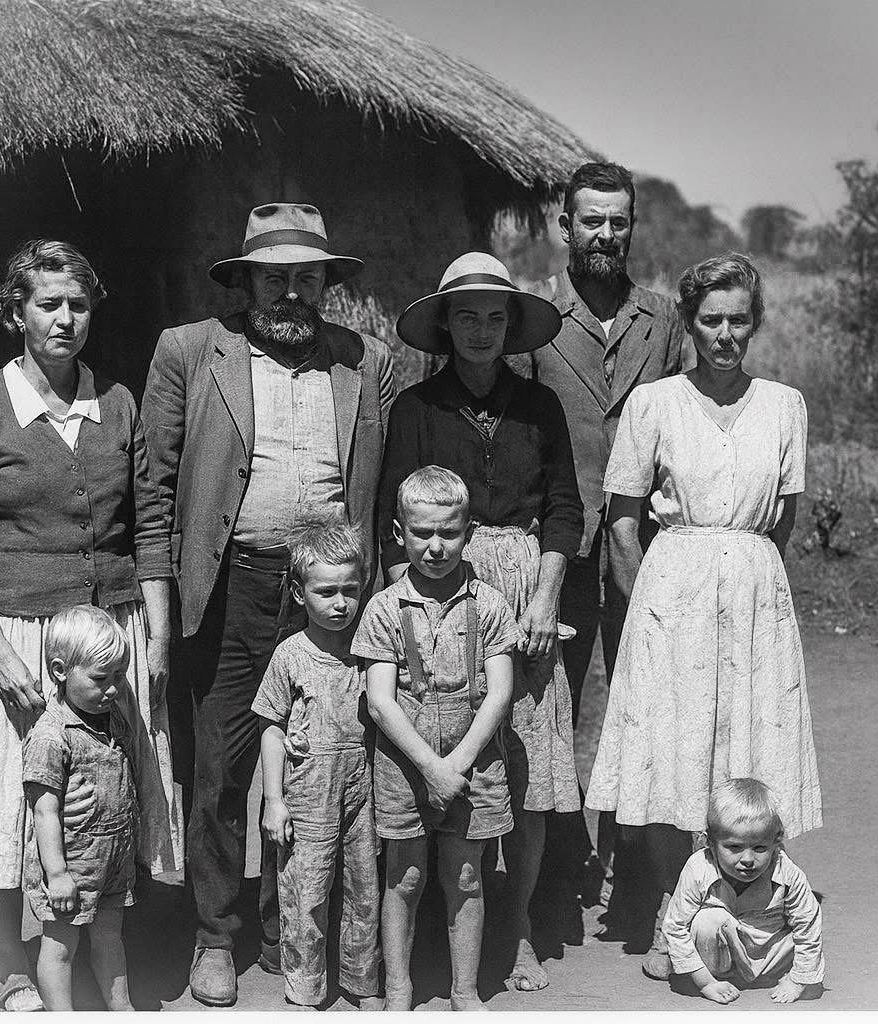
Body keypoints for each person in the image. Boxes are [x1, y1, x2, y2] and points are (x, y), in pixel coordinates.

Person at [0, 239, 183, 1012]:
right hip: (16, 641)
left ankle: (99, 953)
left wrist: (157, 636)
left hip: (107, 642)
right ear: (17, 314)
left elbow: (152, 527)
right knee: (8, 805)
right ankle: (12, 966)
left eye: (78, 305)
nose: (65, 319)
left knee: (105, 804)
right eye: (48, 304)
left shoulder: (119, 405)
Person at [142, 203, 394, 1006]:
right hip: (231, 589)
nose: (291, 293)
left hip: (330, 598)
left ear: (327, 284)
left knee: (326, 765)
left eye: (306, 278)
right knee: (219, 769)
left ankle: (292, 924)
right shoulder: (189, 352)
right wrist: (158, 601)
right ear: (246, 280)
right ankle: (215, 937)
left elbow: (377, 486)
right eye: (274, 277)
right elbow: (154, 486)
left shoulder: (364, 360)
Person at [583, 252, 823, 978]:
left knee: (745, 745)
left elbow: (782, 517)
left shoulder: (785, 405)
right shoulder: (654, 404)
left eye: (739, 321)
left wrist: (741, 566)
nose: (725, 335)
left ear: (755, 324)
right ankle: (674, 917)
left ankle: (748, 914)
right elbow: (622, 520)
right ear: (688, 322)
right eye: (711, 320)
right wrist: (644, 609)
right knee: (671, 756)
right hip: (670, 591)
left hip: (753, 589)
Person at [379, 252, 583, 992]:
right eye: (467, 315)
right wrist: (417, 619)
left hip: (526, 593)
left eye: (496, 317)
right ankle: (438, 927)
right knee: (442, 753)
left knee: (526, 772)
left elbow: (565, 508)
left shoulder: (540, 406)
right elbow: (391, 526)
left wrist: (545, 596)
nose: (482, 331)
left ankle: (518, 922)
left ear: (511, 327)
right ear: (445, 324)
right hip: (441, 587)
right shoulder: (415, 409)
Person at [517, 160, 685, 923]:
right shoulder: (533, 315)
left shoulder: (663, 320)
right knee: (549, 706)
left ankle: (632, 871)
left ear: (631, 228)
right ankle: (555, 869)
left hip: (643, 546)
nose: (605, 235)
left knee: (640, 703)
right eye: (591, 220)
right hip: (556, 543)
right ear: (565, 226)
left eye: (618, 222)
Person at [353, 466, 520, 1011]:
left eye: (448, 533)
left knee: (467, 876)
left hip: (475, 762)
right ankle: (398, 988)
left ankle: (464, 991)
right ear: (400, 533)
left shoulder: (491, 605)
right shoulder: (383, 608)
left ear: (468, 531)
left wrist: (459, 765)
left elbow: (498, 694)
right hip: (406, 762)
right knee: (404, 877)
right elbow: (380, 701)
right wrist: (431, 767)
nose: (435, 547)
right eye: (422, 533)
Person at [252, 513, 382, 1009]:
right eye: (326, 591)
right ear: (299, 589)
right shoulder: (290, 655)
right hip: (308, 792)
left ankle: (360, 981)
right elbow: (270, 725)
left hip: (363, 786)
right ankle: (305, 988)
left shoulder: (371, 649)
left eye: (350, 589)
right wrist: (273, 800)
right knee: (305, 891)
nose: (340, 603)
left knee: (363, 888)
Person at [23, 606, 143, 1011]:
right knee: (61, 946)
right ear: (60, 670)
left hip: (113, 860)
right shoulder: (51, 736)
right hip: (71, 864)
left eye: (119, 677)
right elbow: (45, 812)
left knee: (110, 938)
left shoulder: (112, 717)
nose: (112, 689)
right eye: (99, 679)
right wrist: (56, 874)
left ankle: (121, 1009)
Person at [659, 778, 824, 1004]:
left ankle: (789, 975)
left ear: (776, 841)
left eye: (760, 848)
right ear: (710, 842)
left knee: (803, 935)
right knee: (707, 920)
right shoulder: (698, 867)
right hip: (718, 960)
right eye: (734, 847)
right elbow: (675, 926)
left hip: (770, 955)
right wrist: (705, 982)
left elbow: (808, 923)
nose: (748, 859)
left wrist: (798, 979)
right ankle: (698, 972)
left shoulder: (786, 871)